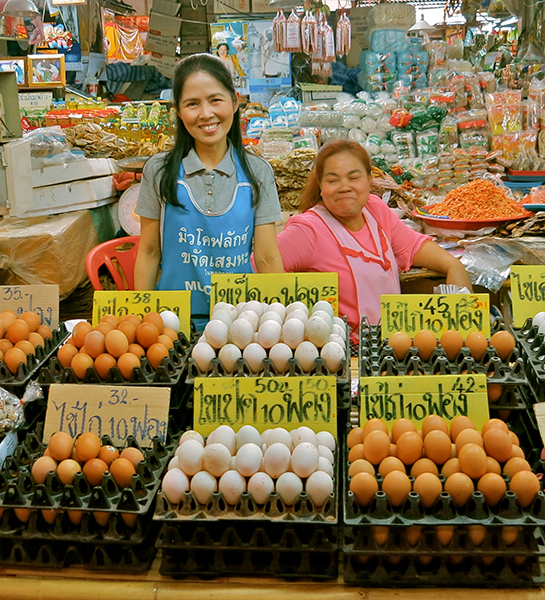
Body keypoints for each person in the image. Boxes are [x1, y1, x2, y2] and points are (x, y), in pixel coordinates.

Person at [134, 53, 284, 329]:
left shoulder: (257, 172)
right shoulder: (159, 170)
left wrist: (281, 323)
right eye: (192, 104)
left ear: (235, 101)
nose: (206, 114)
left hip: (240, 324)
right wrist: (141, 320)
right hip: (171, 324)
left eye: (215, 100)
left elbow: (267, 256)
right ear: (178, 111)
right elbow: (149, 251)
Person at [275, 140, 473, 339]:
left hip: (388, 349)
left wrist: (453, 266)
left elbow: (413, 245)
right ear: (320, 186)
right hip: (344, 356)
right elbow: (260, 269)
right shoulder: (308, 229)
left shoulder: (374, 210)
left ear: (369, 179)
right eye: (332, 180)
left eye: (354, 177)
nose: (344, 187)